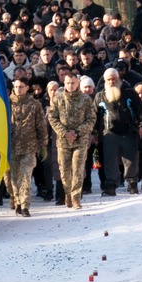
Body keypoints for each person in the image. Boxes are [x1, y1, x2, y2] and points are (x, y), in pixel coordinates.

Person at [50, 75, 98, 209]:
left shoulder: (85, 99)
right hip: (63, 141)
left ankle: (76, 198)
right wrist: (64, 132)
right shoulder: (58, 99)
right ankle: (68, 195)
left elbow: (91, 119)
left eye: (73, 83)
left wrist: (77, 132)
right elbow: (52, 118)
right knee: (64, 171)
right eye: (68, 83)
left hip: (80, 140)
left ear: (78, 84)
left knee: (77, 169)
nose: (70, 85)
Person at [7, 73, 48, 217]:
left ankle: (24, 206)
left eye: (21, 87)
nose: (18, 89)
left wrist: (43, 145)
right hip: (10, 147)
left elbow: (41, 126)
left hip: (29, 147)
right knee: (12, 178)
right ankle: (17, 201)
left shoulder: (34, 104)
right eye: (16, 86)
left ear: (27, 88)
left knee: (25, 177)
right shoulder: (7, 103)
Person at [98, 69, 140, 196]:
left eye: (114, 79)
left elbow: (140, 110)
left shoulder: (129, 93)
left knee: (131, 160)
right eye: (108, 80)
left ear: (118, 79)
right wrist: (94, 133)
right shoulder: (100, 96)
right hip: (109, 133)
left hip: (129, 131)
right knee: (110, 161)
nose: (111, 82)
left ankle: (132, 183)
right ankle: (111, 185)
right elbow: (96, 116)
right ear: (105, 81)